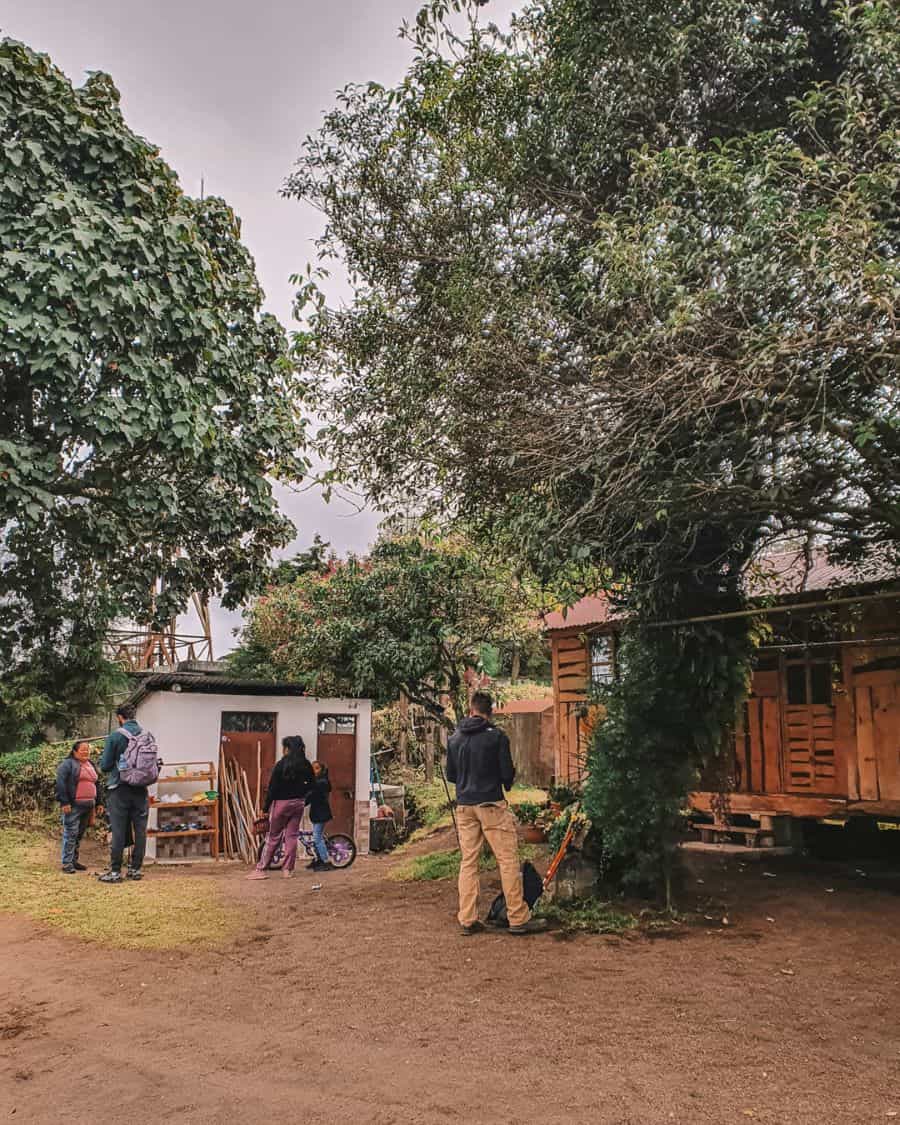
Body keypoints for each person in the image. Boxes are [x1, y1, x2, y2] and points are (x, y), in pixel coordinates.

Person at [446, 691, 548, 936]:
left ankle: (467, 918)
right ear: (489, 712)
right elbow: (506, 774)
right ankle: (517, 917)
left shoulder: (455, 738)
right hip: (491, 804)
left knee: (468, 862)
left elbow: (451, 776)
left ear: (471, 710)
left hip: (464, 806)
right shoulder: (497, 737)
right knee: (508, 861)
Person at [248, 735, 315, 880]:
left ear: (288, 749)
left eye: (284, 747)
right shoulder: (306, 765)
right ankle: (287, 870)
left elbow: (272, 789)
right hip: (298, 804)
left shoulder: (281, 765)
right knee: (291, 836)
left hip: (281, 804)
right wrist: (304, 800)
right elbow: (312, 786)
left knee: (273, 837)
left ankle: (261, 870)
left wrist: (265, 809)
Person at [98, 704, 149, 883]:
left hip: (119, 788)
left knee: (119, 830)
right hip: (141, 789)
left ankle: (115, 872)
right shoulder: (146, 735)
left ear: (120, 717)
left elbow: (104, 766)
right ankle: (135, 870)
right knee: (140, 830)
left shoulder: (116, 736)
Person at [55, 740, 102, 874]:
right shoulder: (67, 764)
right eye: (82, 749)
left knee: (79, 835)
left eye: (87, 749)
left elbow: (96, 784)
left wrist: (99, 802)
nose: (85, 752)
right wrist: (64, 802)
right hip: (73, 806)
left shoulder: (90, 764)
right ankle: (67, 863)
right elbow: (60, 783)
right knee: (71, 833)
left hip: (88, 806)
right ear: (75, 751)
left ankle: (74, 861)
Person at [306, 760, 334, 872]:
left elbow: (311, 793)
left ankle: (326, 862)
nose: (314, 770)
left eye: (316, 768)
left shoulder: (322, 782)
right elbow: (310, 796)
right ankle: (318, 860)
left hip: (321, 814)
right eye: (312, 768)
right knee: (316, 837)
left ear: (322, 770)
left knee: (317, 837)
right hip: (316, 813)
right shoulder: (317, 781)